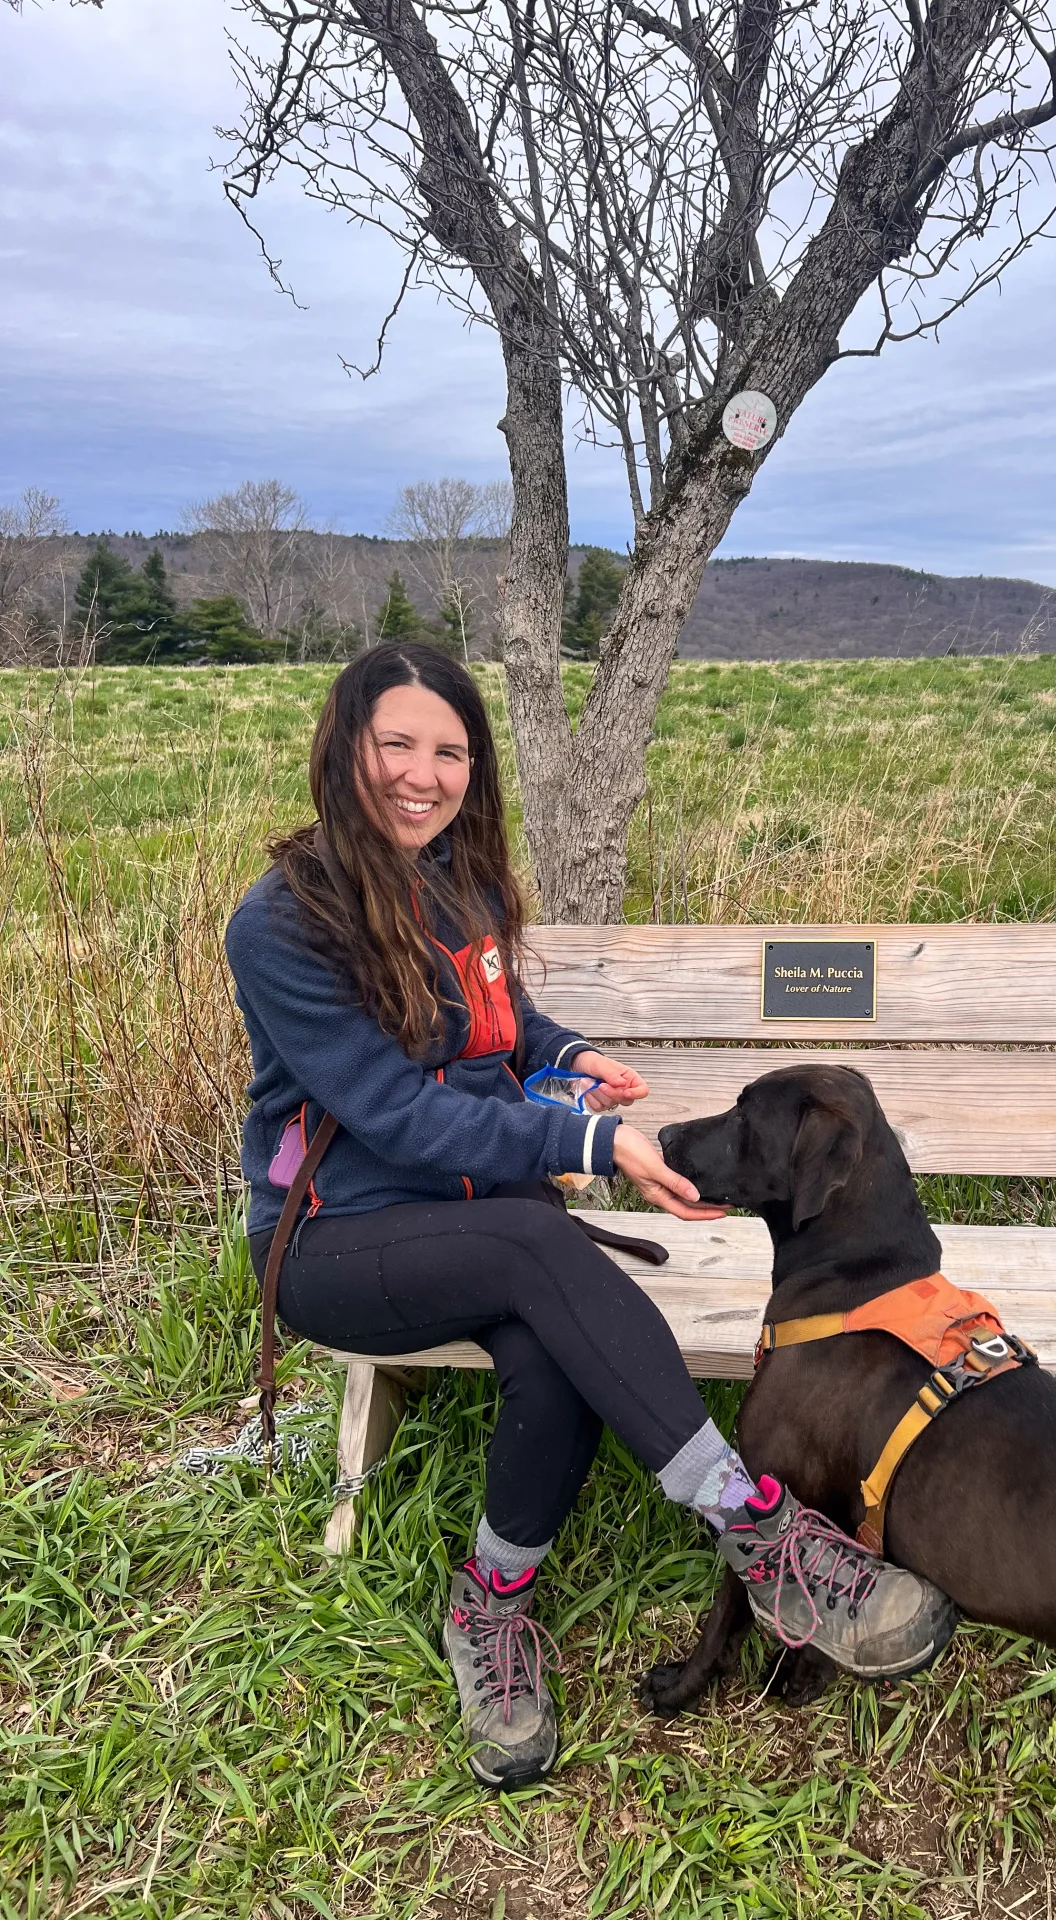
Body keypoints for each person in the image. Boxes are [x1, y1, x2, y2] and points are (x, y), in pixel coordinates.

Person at [226, 639, 954, 1789]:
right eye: (398, 744)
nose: (425, 774)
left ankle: (491, 1608)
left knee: (554, 1344)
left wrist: (574, 1058)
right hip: (331, 1239)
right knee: (531, 1242)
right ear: (345, 748)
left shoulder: (449, 877)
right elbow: (401, 1117)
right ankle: (763, 1537)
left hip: (471, 1221)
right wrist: (592, 1143)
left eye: (452, 751)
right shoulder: (280, 925)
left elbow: (501, 1027)